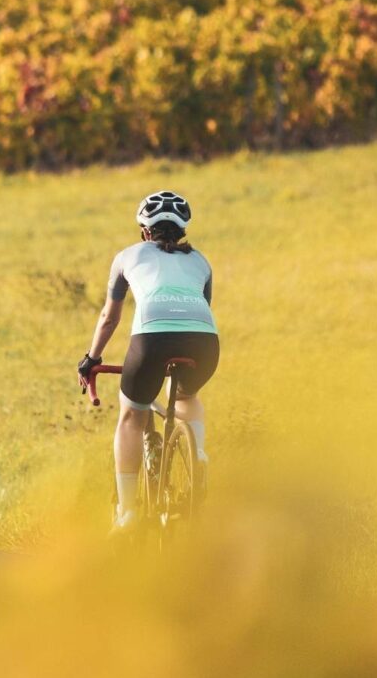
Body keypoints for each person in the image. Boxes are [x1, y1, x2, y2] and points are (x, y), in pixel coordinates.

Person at [77, 191, 220, 535]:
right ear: (183, 230)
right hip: (204, 341)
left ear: (144, 230)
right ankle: (197, 455)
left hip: (151, 339)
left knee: (131, 413)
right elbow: (201, 310)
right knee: (186, 396)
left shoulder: (127, 257)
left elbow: (109, 318)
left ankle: (128, 514)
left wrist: (92, 359)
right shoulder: (201, 261)